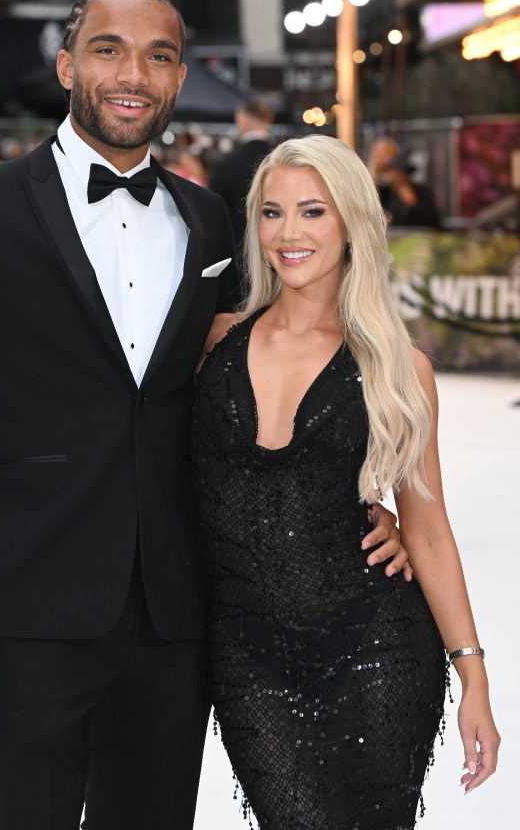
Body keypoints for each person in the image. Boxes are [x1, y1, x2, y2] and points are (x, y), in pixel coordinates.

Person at [0, 0, 405, 830]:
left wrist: (360, 501)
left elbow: (266, 382)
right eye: (108, 49)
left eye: (158, 55)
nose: (134, 73)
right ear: (66, 65)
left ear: (179, 76)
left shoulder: (208, 222)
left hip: (179, 605)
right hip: (29, 600)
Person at [192, 135, 500, 829]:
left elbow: (427, 529)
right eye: (272, 213)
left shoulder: (397, 367)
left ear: (352, 222)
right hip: (247, 660)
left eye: (312, 211)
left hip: (377, 651)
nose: (289, 233)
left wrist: (472, 673)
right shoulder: (214, 343)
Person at [210, 98, 276, 273]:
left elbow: (214, 212)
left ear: (243, 118)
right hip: (279, 252)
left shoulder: (229, 163)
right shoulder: (282, 160)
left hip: (239, 256)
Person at [367, 136, 441, 229]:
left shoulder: (418, 190)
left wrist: (411, 198)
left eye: (387, 156)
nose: (384, 162)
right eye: (378, 157)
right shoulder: (377, 190)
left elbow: (432, 221)